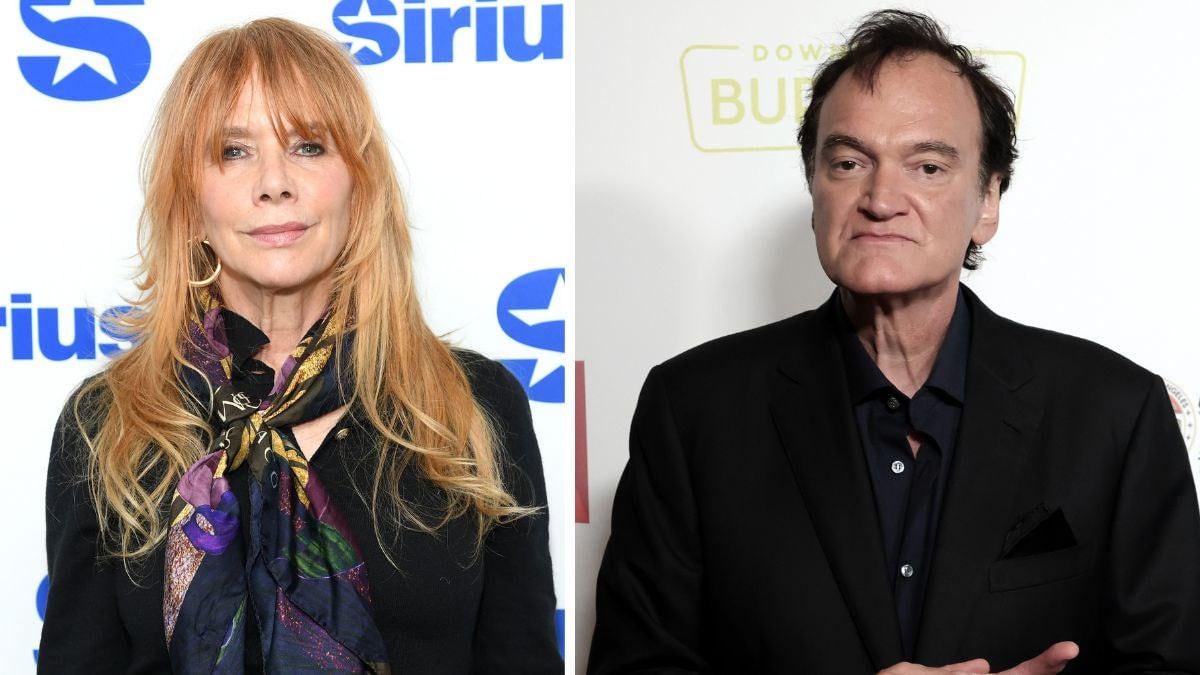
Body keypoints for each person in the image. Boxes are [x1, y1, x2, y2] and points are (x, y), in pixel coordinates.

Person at [589, 9, 1200, 674]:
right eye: (849, 162)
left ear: (988, 201)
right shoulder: (694, 410)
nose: (881, 198)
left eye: (928, 167)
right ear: (815, 188)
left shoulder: (1115, 413)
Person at [38, 18, 561, 674]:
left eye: (308, 146)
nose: (274, 181)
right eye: (234, 151)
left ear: (359, 186)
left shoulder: (472, 405)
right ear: (191, 204)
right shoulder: (109, 424)